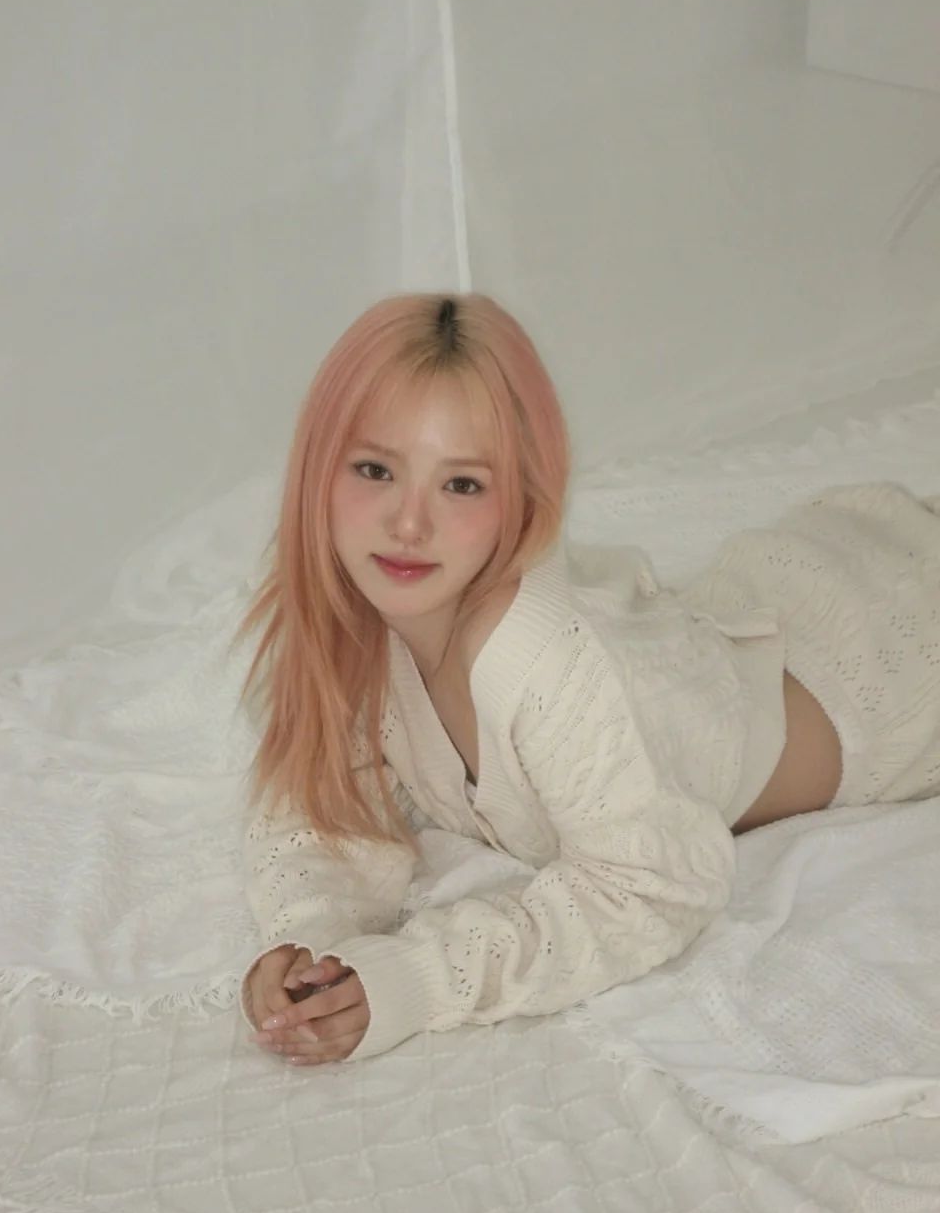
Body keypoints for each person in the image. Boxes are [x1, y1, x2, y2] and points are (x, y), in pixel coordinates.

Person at [236, 292, 940, 1067]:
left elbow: (651, 885)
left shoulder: (546, 663)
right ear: (317, 469)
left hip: (893, 667)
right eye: (375, 470)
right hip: (746, 620)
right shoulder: (345, 621)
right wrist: (311, 946)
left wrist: (417, 976)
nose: (409, 524)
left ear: (522, 500)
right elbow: (324, 804)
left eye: (461, 484)